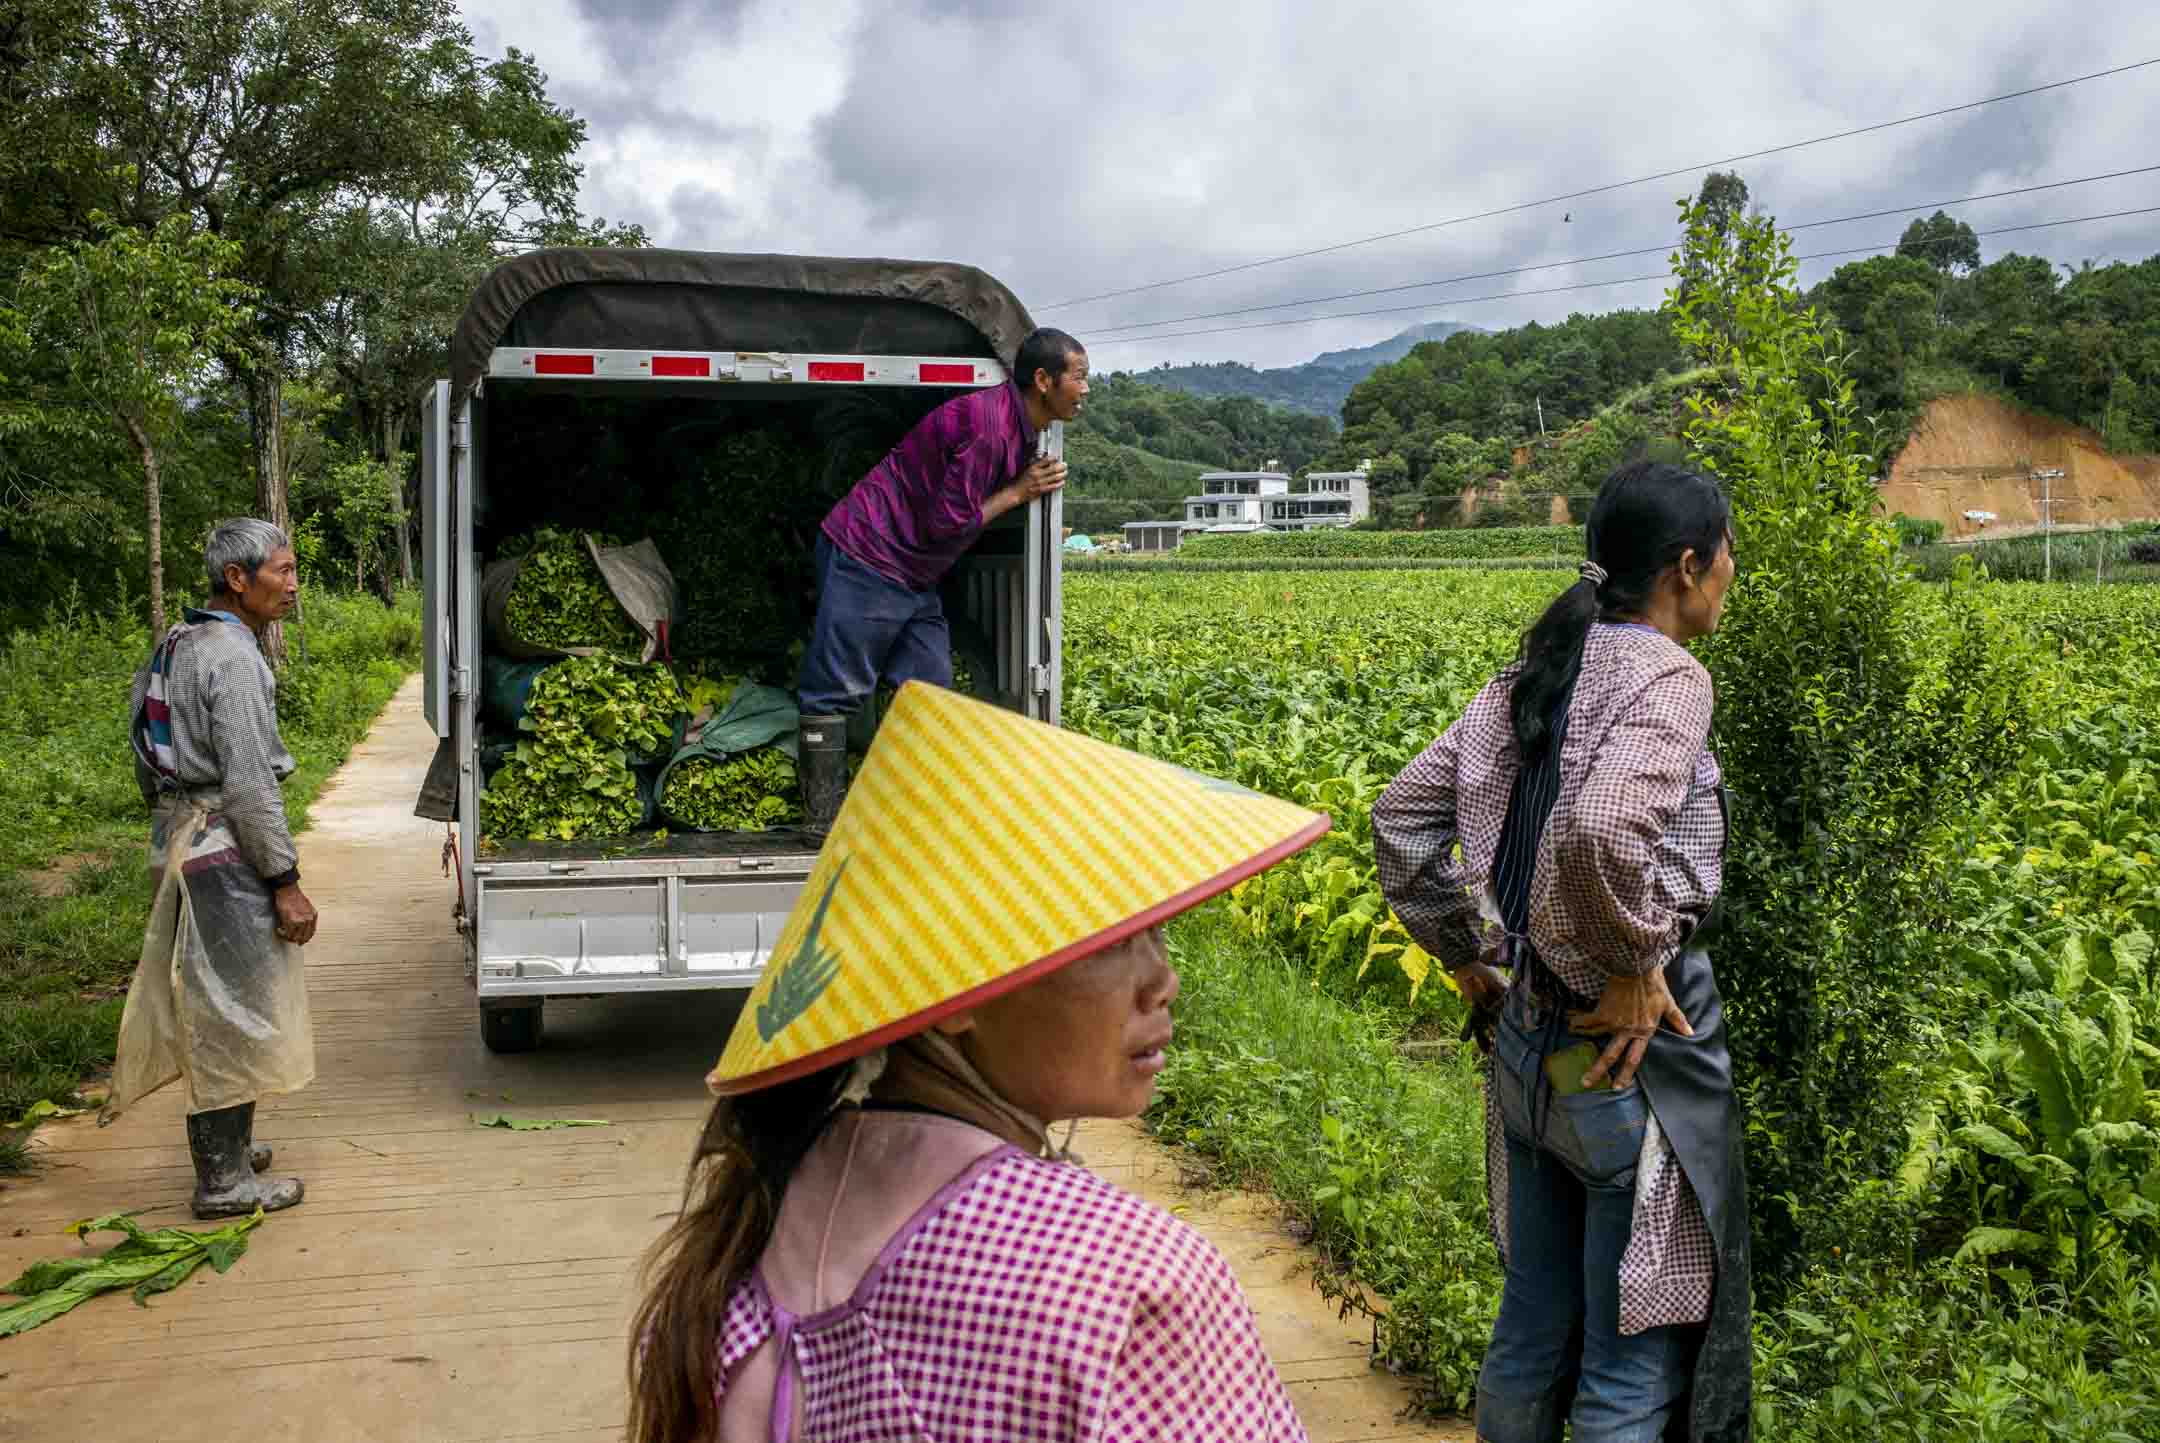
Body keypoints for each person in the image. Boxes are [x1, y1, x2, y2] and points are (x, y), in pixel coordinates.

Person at [630, 681, 1332, 1443]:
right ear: (952, 995)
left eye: (1156, 933)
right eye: (1109, 940)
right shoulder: (1129, 1280)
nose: (1163, 981)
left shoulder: (749, 1238)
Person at [1372, 460, 1751, 1443]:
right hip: (1616, 1061)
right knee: (1630, 1360)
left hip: (1527, 1046)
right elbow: (1598, 831)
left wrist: (1469, 955)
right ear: (1686, 566)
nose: (1732, 571)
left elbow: (1401, 818)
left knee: (1534, 1324)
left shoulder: (1534, 673)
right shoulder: (1669, 678)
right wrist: (1632, 962)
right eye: (1728, 552)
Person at [105, 518, 318, 1218]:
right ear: (237, 578)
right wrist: (284, 880)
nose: (293, 584)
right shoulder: (234, 658)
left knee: (212, 997)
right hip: (222, 849)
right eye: (282, 570)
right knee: (232, 1009)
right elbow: (251, 784)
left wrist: (174, 821)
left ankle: (231, 1146)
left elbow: (142, 744)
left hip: (177, 838)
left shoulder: (177, 642)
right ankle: (223, 1181)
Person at [794, 327, 1088, 832]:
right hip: (871, 554)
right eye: (1079, 377)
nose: (1085, 389)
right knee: (836, 689)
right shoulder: (990, 430)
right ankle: (822, 823)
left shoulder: (1018, 427)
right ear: (1043, 380)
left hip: (915, 573)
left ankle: (901, 815)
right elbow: (945, 525)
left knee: (929, 689)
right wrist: (1018, 492)